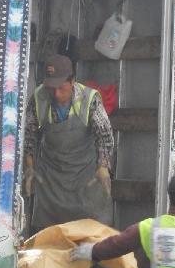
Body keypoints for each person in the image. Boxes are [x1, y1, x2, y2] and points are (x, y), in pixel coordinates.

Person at [23, 54, 114, 232]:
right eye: (51, 88)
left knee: (90, 235)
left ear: (72, 81)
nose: (56, 94)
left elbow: (104, 136)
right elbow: (28, 135)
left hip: (85, 177)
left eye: (60, 88)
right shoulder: (39, 98)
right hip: (51, 179)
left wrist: (103, 167)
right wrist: (29, 166)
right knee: (50, 236)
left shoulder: (90, 99)